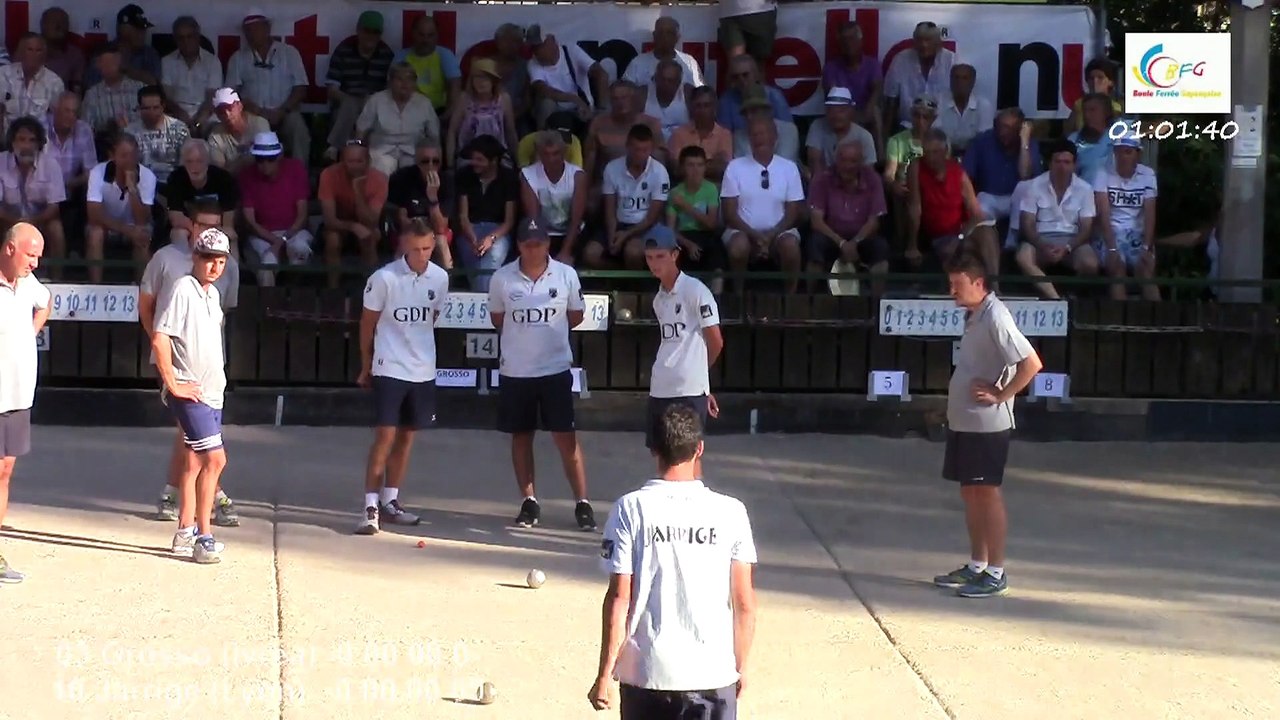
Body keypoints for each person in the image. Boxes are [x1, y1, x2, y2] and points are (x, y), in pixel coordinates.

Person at [589, 403, 757, 716]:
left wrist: (604, 675)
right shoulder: (731, 511)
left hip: (647, 674)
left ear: (654, 449)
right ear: (699, 449)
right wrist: (741, 666)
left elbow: (619, 598)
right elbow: (744, 603)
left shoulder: (629, 508)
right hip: (712, 674)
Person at [933, 252, 1043, 598]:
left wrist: (1001, 395)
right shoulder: (975, 315)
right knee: (970, 492)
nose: (952, 291)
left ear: (978, 283)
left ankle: (996, 572)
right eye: (950, 284)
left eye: (958, 284)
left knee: (987, 492)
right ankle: (977, 565)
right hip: (965, 421)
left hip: (987, 425)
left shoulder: (996, 315)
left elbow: (1031, 363)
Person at [488, 215, 596, 531]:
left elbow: (575, 315)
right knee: (521, 436)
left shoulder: (566, 275)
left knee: (566, 438)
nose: (533, 249)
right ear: (519, 245)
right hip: (516, 371)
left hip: (555, 369)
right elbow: (498, 319)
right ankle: (529, 501)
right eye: (527, 244)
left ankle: (583, 502)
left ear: (548, 243)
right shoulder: (502, 278)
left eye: (538, 243)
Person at [142, 199, 240, 525]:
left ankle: (182, 515)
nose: (215, 265)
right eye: (204, 225)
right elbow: (148, 309)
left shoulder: (221, 280)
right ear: (191, 226)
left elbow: (221, 318)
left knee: (194, 449)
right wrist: (167, 365)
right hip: (180, 368)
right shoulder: (168, 263)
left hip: (210, 376)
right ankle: (205, 513)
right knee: (208, 452)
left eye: (216, 225)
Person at [354, 218, 449, 535]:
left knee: (407, 436)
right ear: (405, 245)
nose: (422, 255)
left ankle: (390, 501)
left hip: (423, 370)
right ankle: (370, 507)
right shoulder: (384, 278)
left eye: (427, 248)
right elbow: (367, 324)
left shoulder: (440, 278)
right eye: (416, 249)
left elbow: (432, 317)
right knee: (385, 436)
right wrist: (366, 365)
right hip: (389, 366)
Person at [643, 225, 723, 481]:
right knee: (660, 452)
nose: (654, 263)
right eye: (649, 257)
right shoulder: (659, 299)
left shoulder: (695, 290)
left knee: (690, 454)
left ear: (675, 255)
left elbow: (716, 341)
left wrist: (701, 382)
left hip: (688, 390)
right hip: (661, 386)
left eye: (660, 256)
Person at [0, 223, 51, 584]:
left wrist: (30, 333)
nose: (35, 263)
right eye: (30, 255)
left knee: (5, 471)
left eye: (38, 256)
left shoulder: (28, 282)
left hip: (18, 395)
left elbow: (45, 302)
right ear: (9, 249)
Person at [721, 117, 805, 294]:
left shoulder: (789, 168)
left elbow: (793, 211)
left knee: (791, 247)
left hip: (780, 231)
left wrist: (771, 235)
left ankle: (790, 298)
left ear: (774, 137)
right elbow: (729, 213)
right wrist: (756, 236)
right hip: (743, 231)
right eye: (754, 134)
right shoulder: (734, 167)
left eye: (763, 134)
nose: (758, 138)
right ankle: (738, 296)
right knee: (738, 248)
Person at [225, 12, 310, 167]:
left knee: (298, 128)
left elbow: (301, 87)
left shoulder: (289, 53)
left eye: (255, 29)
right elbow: (230, 93)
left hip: (285, 112)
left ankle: (299, 174)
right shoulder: (237, 58)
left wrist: (283, 110)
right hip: (253, 114)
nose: (251, 34)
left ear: (267, 29)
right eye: (247, 30)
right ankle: (255, 176)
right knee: (255, 128)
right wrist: (249, 106)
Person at [584, 123, 670, 272]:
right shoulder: (612, 168)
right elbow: (610, 210)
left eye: (645, 150)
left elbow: (652, 218)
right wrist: (612, 235)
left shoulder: (660, 172)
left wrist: (625, 236)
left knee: (633, 253)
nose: (640, 154)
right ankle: (615, 276)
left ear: (651, 149)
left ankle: (634, 285)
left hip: (644, 227)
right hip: (619, 222)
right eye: (636, 149)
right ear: (628, 147)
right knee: (591, 254)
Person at [1093, 126, 1160, 301]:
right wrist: (1112, 248)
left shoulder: (1148, 175)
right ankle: (1120, 316)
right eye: (1119, 151)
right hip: (1110, 233)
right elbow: (1103, 214)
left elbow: (1150, 213)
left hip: (1137, 233)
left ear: (1138, 154)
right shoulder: (1103, 173)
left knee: (1145, 271)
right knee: (1117, 270)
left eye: (1128, 152)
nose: (1123, 156)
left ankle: (1159, 317)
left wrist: (1146, 247)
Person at [240, 131, 312, 287]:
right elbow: (251, 222)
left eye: (271, 159)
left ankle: (294, 295)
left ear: (280, 156)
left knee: (300, 250)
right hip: (262, 234)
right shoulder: (247, 175)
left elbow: (302, 214)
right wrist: (276, 241)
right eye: (260, 160)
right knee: (267, 262)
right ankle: (269, 300)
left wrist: (282, 240)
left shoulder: (295, 169)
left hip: (294, 231)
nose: (265, 164)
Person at [85, 132, 156, 284]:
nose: (129, 161)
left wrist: (132, 189)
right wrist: (125, 230)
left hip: (135, 225)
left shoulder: (148, 176)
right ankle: (95, 287)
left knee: (142, 234)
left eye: (133, 156)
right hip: (106, 224)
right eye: (124, 156)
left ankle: (141, 288)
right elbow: (94, 214)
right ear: (113, 156)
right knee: (95, 233)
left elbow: (142, 219)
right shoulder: (97, 172)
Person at [324, 10, 394, 159]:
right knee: (350, 104)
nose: (371, 36)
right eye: (367, 31)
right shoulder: (343, 51)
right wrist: (352, 101)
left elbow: (390, 90)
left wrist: (372, 102)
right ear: (358, 30)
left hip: (375, 105)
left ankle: (334, 147)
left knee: (371, 105)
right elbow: (332, 89)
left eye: (375, 32)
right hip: (345, 104)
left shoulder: (387, 54)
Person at [319, 141, 389, 288]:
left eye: (359, 161)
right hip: (339, 224)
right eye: (350, 161)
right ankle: (333, 290)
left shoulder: (379, 179)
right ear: (341, 161)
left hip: (367, 224)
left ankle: (371, 289)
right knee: (332, 240)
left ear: (368, 161)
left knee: (370, 236)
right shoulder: (328, 175)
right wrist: (353, 226)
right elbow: (329, 219)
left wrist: (358, 192)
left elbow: (371, 221)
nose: (355, 166)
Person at [0, 118, 66, 273]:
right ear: (12, 143)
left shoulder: (51, 165)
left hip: (41, 221)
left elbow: (54, 207)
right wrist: (16, 223)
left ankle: (58, 279)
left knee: (56, 228)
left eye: (32, 140)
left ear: (39, 144)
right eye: (21, 139)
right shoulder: (0, 162)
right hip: (7, 220)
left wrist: (31, 222)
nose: (27, 146)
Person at [456, 134, 518, 292]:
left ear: (494, 161)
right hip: (470, 229)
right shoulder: (465, 175)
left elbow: (509, 220)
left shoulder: (508, 178)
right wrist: (472, 238)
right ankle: (484, 299)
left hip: (498, 231)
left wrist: (491, 238)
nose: (474, 163)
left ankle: (480, 299)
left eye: (479, 160)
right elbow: (463, 216)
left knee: (491, 257)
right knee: (472, 257)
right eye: (473, 159)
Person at [356, 63, 440, 176]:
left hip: (412, 152)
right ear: (390, 81)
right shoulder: (376, 100)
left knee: (413, 171)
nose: (405, 84)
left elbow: (434, 137)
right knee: (383, 166)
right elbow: (361, 130)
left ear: (415, 83)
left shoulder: (424, 103)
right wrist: (359, 154)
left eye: (409, 79)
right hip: (381, 152)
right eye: (400, 79)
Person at [520, 130, 588, 264]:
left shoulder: (577, 175)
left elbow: (576, 220)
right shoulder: (528, 174)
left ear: (563, 152)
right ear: (539, 154)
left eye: (555, 153)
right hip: (543, 232)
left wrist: (566, 251)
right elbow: (534, 218)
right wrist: (543, 252)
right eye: (546, 154)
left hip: (571, 233)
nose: (551, 159)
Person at [666, 146, 724, 285]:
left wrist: (685, 205)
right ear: (682, 168)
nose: (696, 170)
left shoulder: (710, 189)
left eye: (700, 165)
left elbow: (711, 224)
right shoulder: (675, 193)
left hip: (706, 234)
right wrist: (688, 244)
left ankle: (717, 295)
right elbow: (670, 230)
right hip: (683, 237)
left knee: (717, 252)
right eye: (690, 165)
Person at [446, 58, 518, 165]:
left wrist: (518, 161)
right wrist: (450, 164)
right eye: (477, 77)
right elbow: (452, 132)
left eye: (485, 78)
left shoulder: (504, 99)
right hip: (469, 157)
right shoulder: (464, 99)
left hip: (497, 157)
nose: (480, 82)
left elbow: (510, 132)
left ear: (493, 81)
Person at [161, 16, 223, 132]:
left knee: (216, 130)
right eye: (181, 38)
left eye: (190, 37)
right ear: (175, 39)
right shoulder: (167, 61)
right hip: (177, 113)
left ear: (198, 37)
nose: (186, 42)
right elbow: (167, 98)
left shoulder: (212, 62)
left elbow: (211, 98)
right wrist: (181, 115)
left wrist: (198, 122)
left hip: (205, 113)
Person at [394, 15, 462, 119]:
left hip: (438, 111)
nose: (425, 40)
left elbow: (455, 89)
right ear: (413, 34)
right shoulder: (401, 56)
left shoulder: (445, 55)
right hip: (406, 112)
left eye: (430, 35)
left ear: (437, 36)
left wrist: (445, 118)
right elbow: (392, 88)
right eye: (421, 35)